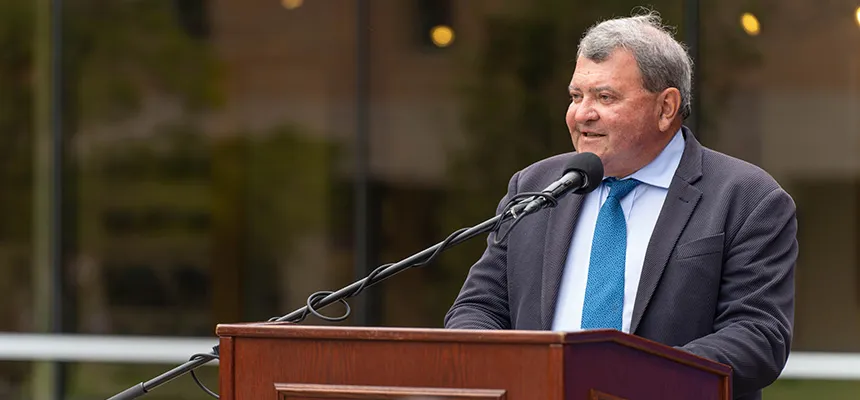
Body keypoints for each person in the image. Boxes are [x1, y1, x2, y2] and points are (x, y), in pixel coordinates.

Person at [443, 11, 797, 400]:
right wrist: (505, 370)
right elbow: (478, 308)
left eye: (605, 97)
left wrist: (634, 381)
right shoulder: (534, 187)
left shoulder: (746, 198)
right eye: (576, 96)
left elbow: (757, 336)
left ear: (666, 107)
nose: (582, 113)